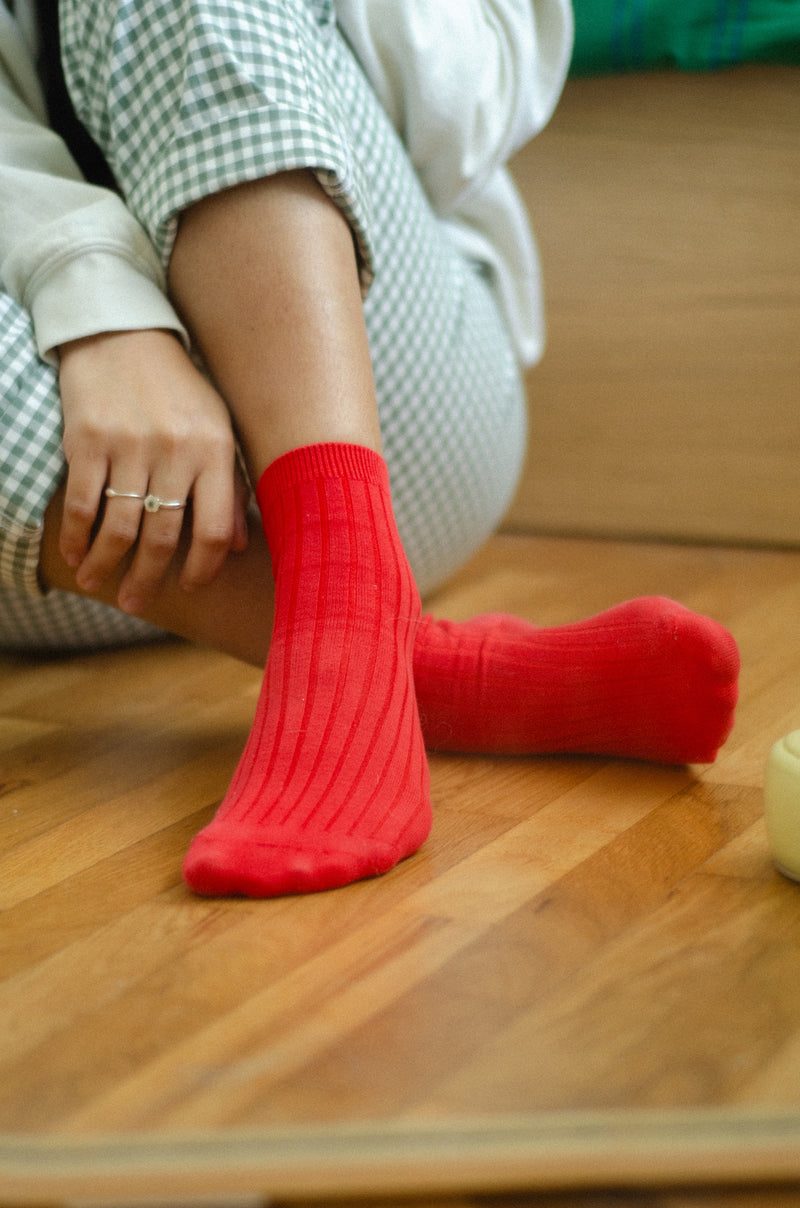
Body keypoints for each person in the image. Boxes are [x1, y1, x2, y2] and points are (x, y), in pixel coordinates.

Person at [0, 0, 740, 897]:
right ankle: (423, 670)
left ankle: (344, 583)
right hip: (59, 516)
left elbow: (478, 96)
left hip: (376, 391)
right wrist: (101, 305)